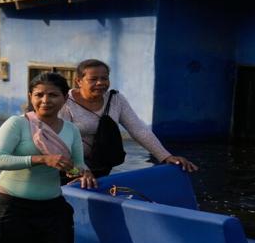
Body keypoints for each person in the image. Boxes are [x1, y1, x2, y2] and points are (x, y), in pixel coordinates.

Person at [0, 71, 97, 243]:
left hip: (52, 208)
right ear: (31, 97)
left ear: (65, 98)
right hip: (10, 208)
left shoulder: (71, 130)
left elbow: (77, 165)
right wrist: (41, 159)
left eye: (53, 95)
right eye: (39, 95)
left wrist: (83, 172)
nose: (45, 100)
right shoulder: (17, 124)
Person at [58, 59, 197, 178]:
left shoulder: (115, 99)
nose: (100, 83)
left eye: (104, 78)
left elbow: (138, 129)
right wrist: (79, 170)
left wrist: (166, 156)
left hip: (101, 165)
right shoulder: (65, 103)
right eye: (93, 79)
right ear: (79, 81)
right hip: (69, 168)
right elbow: (59, 144)